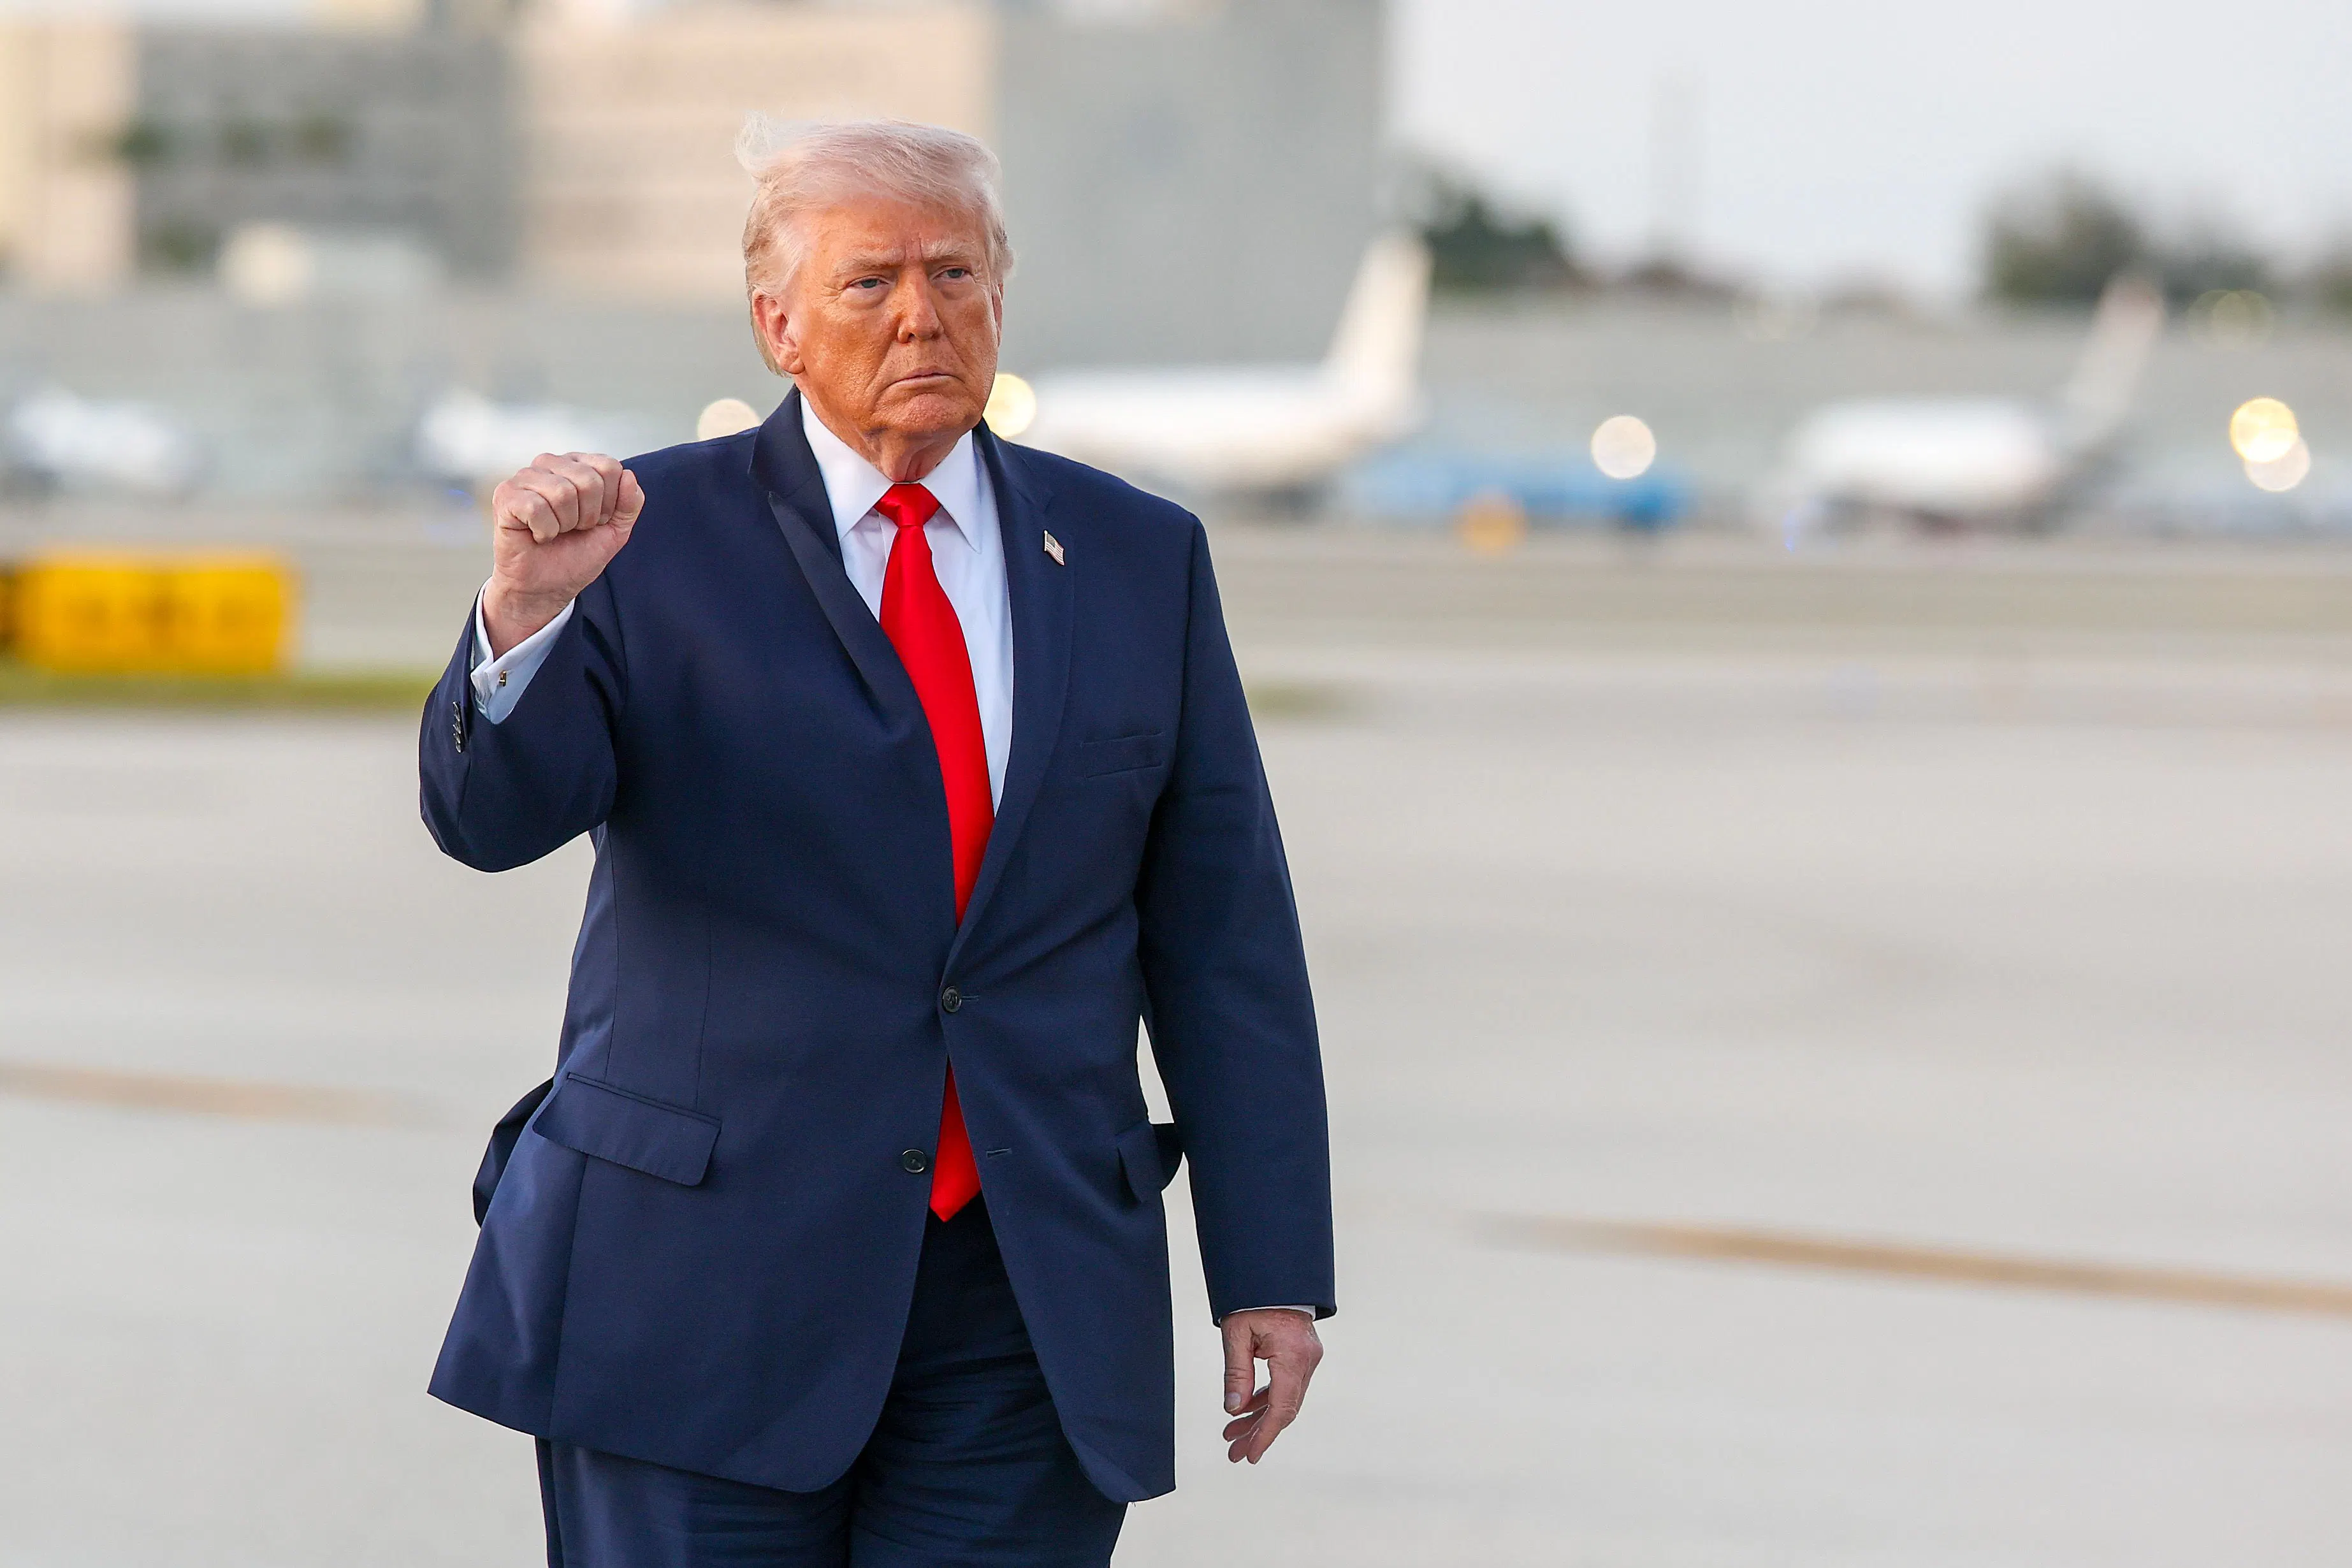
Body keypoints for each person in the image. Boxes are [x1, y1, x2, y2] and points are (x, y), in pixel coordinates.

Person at [419, 119, 1333, 1567]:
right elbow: (487, 822)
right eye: (871, 283)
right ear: (778, 325)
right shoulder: (641, 538)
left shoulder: (1136, 557)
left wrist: (1270, 1270)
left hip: (1024, 1296)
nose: (924, 312)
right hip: (702, 1291)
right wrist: (523, 619)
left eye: (956, 271)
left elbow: (1224, 939)